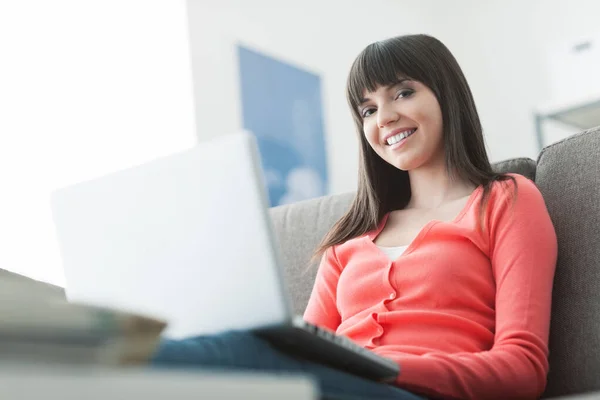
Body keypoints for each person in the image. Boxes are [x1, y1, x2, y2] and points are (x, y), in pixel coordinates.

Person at [151, 34, 557, 400]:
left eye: (402, 93)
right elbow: (303, 348)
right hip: (334, 387)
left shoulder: (506, 198)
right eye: (367, 109)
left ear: (446, 94)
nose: (384, 118)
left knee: (241, 354)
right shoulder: (347, 242)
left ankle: (121, 356)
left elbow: (523, 368)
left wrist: (385, 370)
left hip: (409, 393)